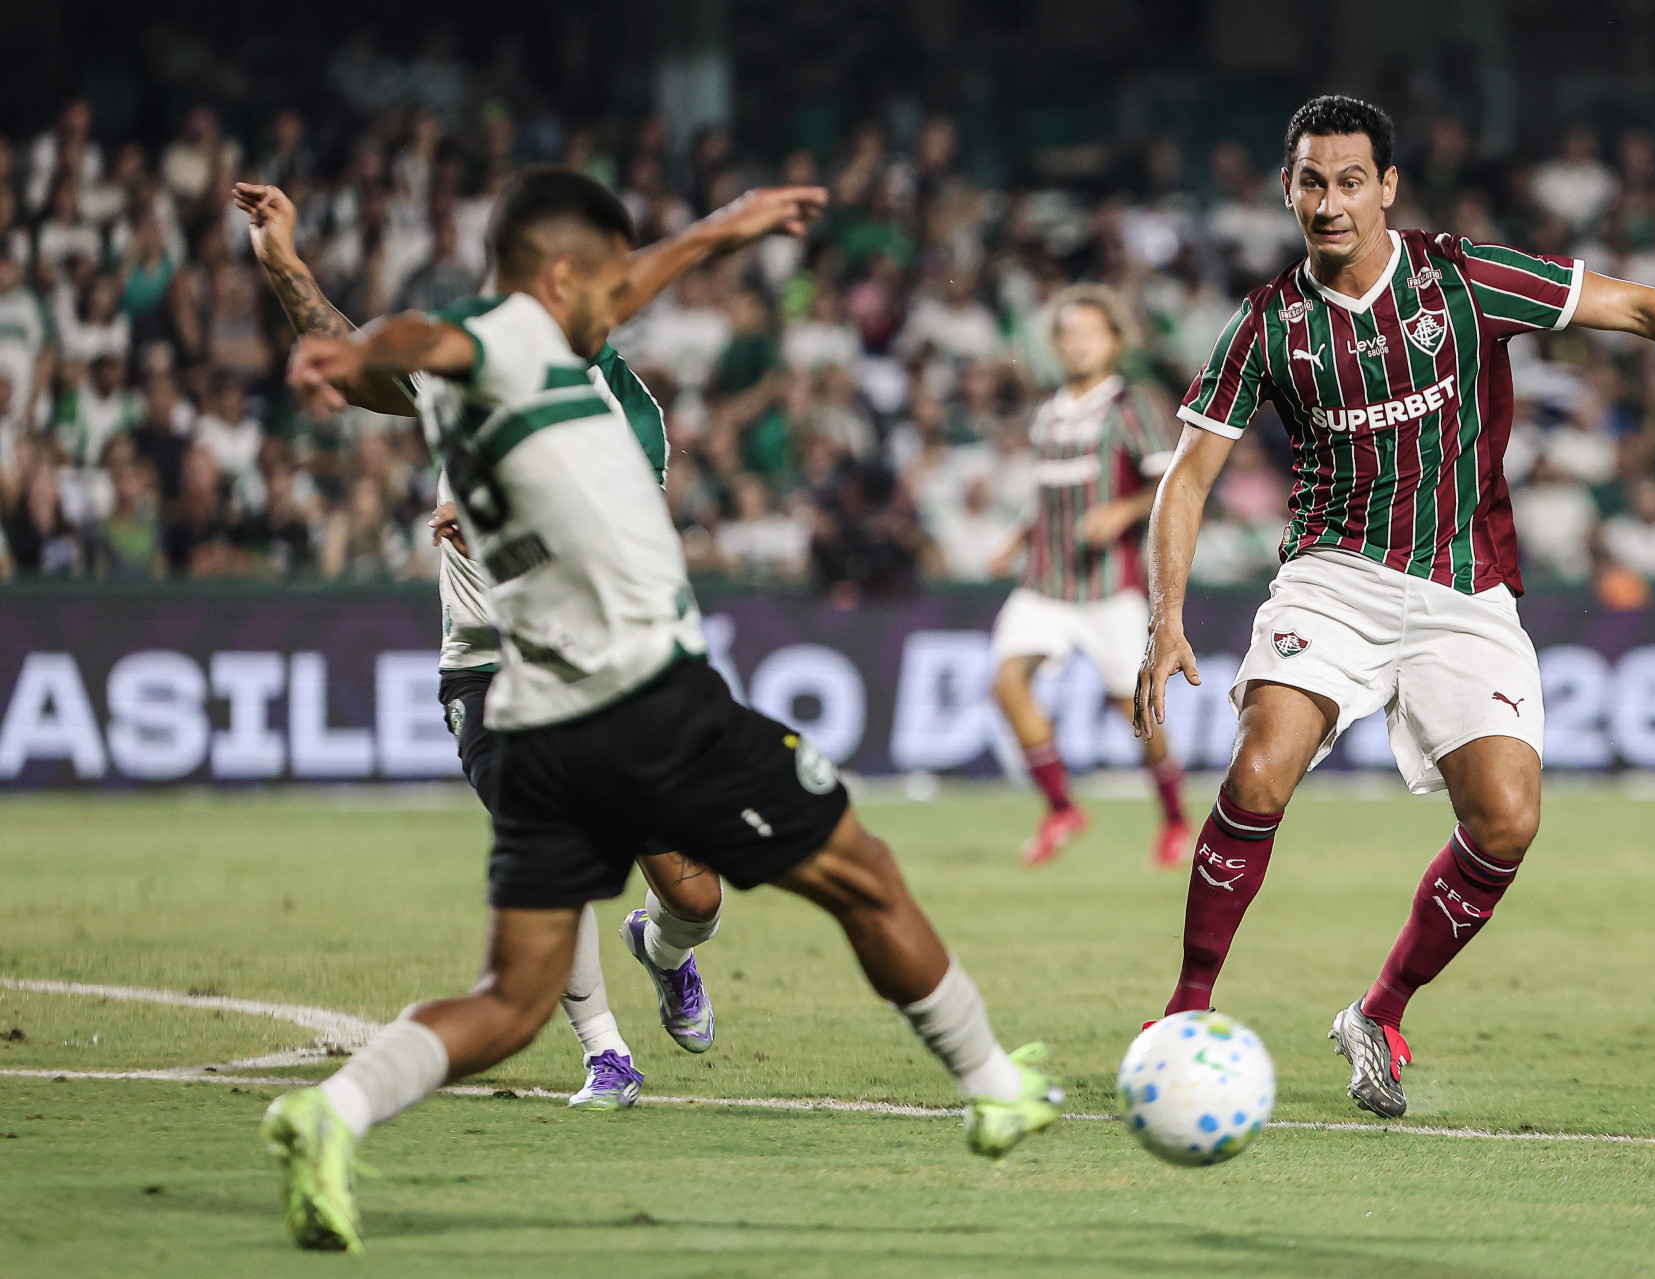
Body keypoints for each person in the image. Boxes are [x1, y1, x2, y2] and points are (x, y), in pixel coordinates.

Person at [260, 169, 1061, 1253]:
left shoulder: (479, 369)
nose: (624, 294)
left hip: (535, 721)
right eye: (604, 277)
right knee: (862, 871)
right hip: (640, 698)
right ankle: (995, 1085)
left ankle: (335, 1111)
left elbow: (415, 345)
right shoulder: (504, 341)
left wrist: (307, 296)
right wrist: (370, 344)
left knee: (510, 1000)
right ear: (558, 278)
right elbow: (428, 336)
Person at [1135, 95, 1655, 1119]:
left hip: (1463, 590)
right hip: (1333, 578)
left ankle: (1379, 1012)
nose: (1330, 201)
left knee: (1507, 819)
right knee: (1261, 768)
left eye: (1350, 180)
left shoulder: (1463, 279)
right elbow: (1186, 477)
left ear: (1387, 187)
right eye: (1311, 181)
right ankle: (1184, 1011)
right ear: (1287, 189)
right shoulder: (1269, 324)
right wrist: (1164, 618)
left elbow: (1637, 307)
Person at [237, 180, 731, 1109]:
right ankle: (606, 1052)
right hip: (490, 672)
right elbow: (350, 361)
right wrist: (285, 261)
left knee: (696, 897)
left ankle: (663, 952)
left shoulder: (628, 415)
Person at [986, 285, 1190, 868]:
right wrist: (1015, 541)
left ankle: (1175, 819)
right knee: (1007, 683)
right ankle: (1061, 809)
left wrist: (1122, 512)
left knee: (1134, 710)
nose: (1079, 344)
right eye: (1068, 333)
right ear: (1055, 344)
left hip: (1108, 587)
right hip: (1045, 583)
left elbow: (1170, 483)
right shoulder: (1048, 412)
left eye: (1092, 332)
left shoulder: (1132, 406)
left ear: (1115, 341)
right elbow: (1047, 496)